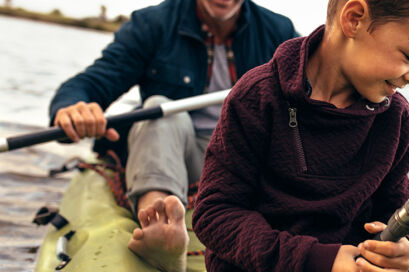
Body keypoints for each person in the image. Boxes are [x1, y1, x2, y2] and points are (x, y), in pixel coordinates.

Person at [192, 0, 409, 271]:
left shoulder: (397, 119)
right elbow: (215, 215)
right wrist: (318, 261)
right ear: (354, 19)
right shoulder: (257, 95)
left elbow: (394, 211)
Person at [48, 0, 297, 271]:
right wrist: (72, 109)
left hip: (242, 157)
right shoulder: (154, 23)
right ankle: (161, 221)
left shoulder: (278, 31)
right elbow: (94, 81)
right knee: (157, 109)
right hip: (175, 152)